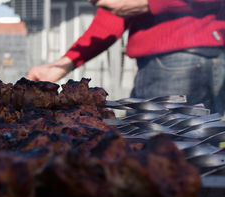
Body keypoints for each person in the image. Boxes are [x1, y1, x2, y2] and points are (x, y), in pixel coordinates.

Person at [26, 0, 225, 114]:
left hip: (176, 63)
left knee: (162, 163)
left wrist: (150, 3)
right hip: (179, 62)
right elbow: (114, 15)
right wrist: (64, 63)